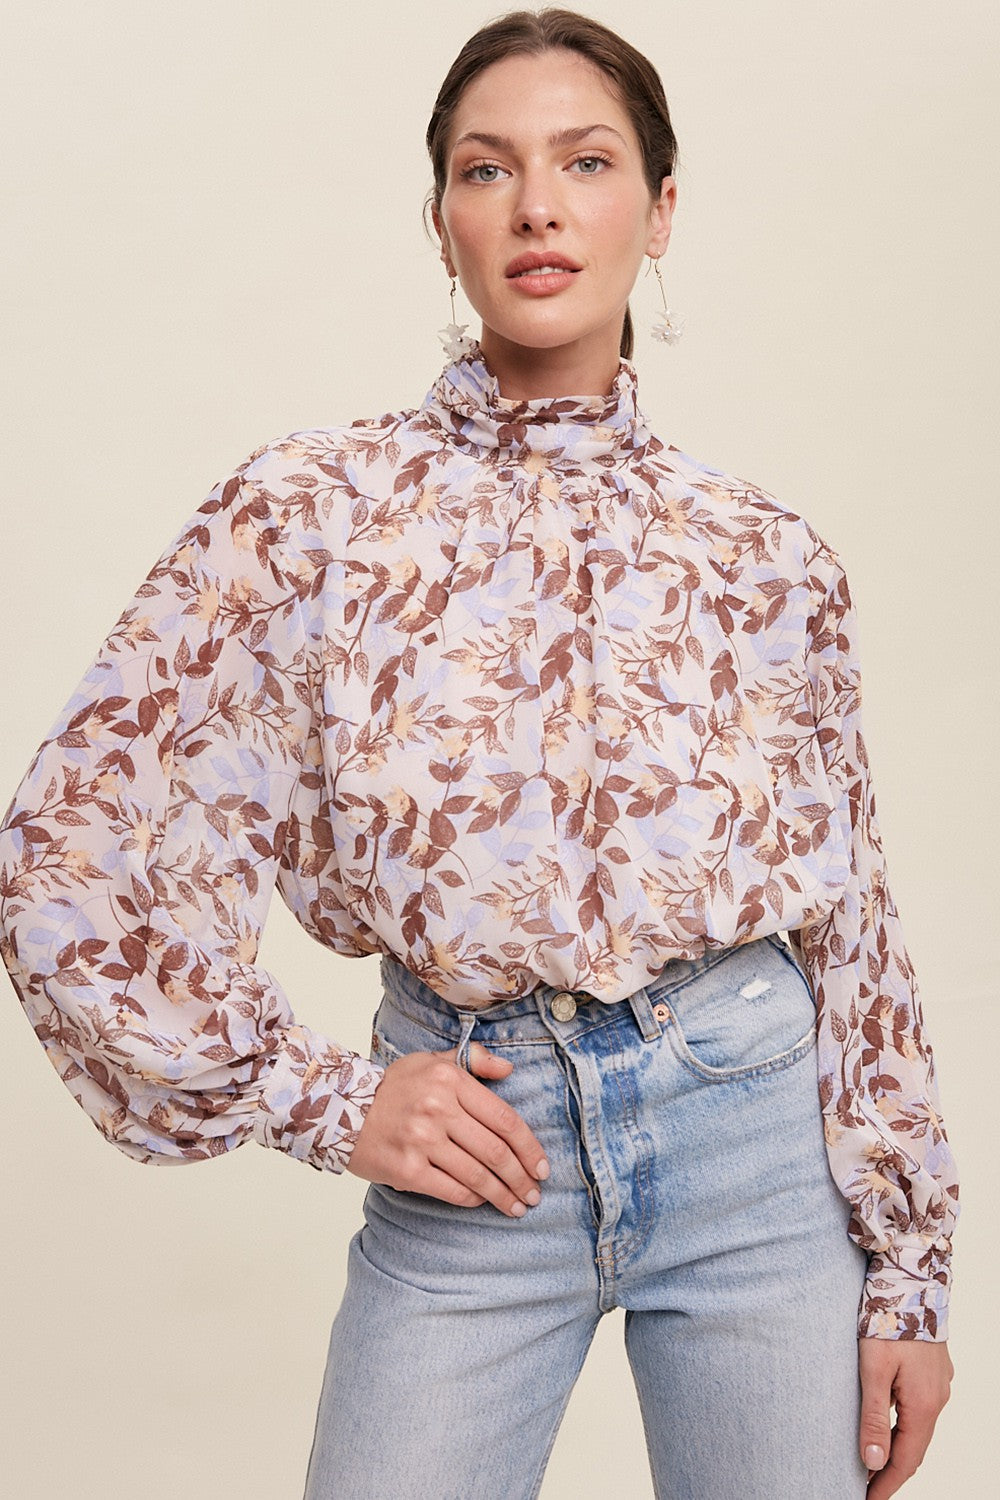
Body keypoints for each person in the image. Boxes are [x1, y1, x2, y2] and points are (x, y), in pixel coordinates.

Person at [0, 8, 958, 1498]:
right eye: (486, 168)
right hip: (478, 1139)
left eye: (588, 162)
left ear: (662, 207)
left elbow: (853, 918)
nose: (538, 208)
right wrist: (322, 1097)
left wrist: (908, 1274)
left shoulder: (764, 556)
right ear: (440, 217)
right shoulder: (309, 517)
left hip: (755, 1149)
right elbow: (70, 846)